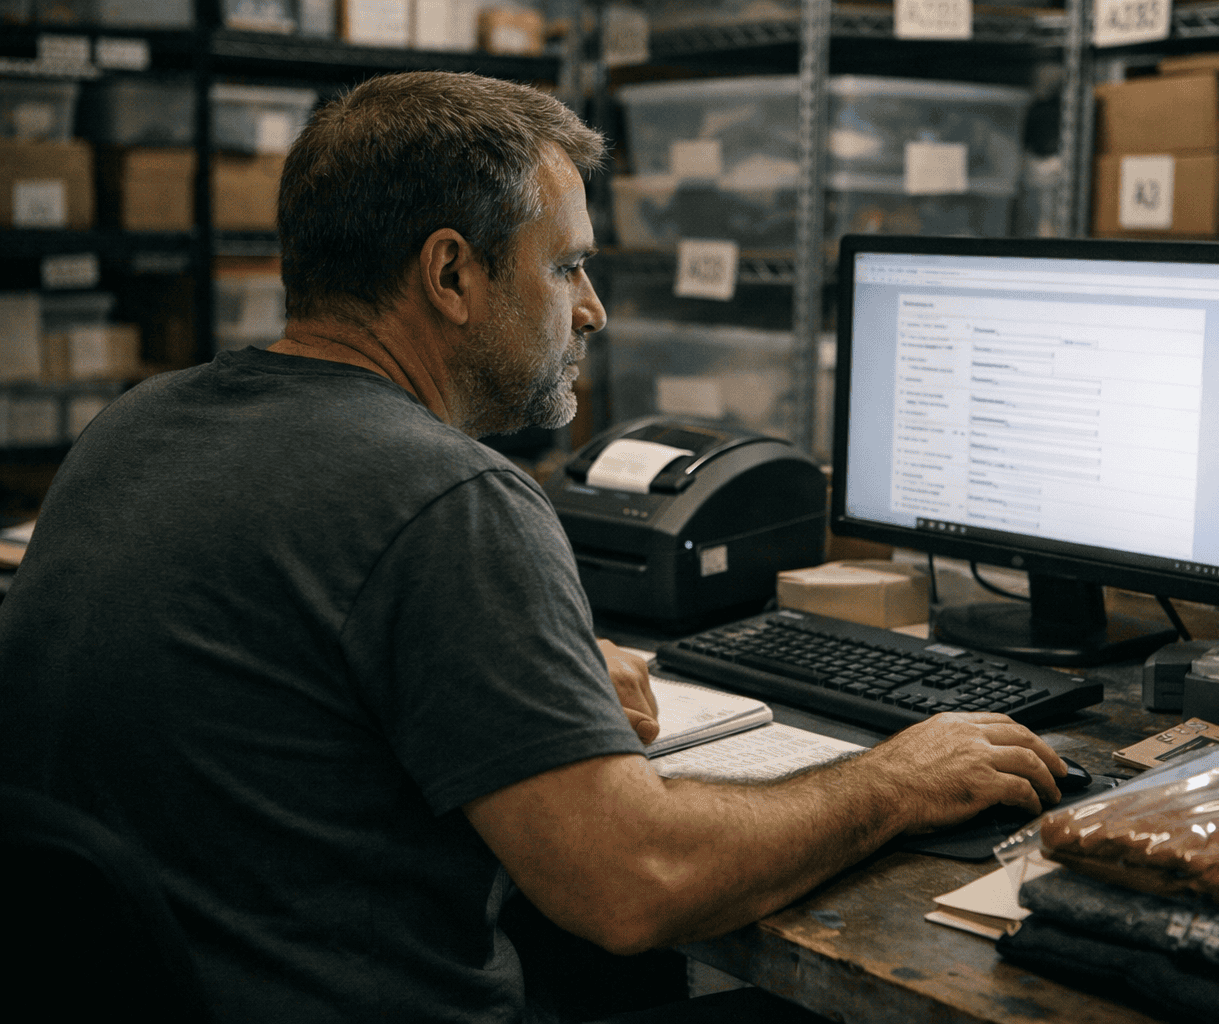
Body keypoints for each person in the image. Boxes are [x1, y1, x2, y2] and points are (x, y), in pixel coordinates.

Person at [0, 72, 1072, 1023]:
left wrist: (508, 665)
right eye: (567, 267)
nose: (595, 310)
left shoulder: (134, 426)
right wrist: (891, 781)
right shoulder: (450, 500)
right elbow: (632, 882)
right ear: (452, 275)